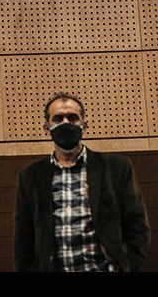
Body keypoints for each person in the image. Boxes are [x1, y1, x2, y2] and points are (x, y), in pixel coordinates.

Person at [13, 92, 150, 272]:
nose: (66, 123)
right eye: (58, 119)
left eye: (72, 118)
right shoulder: (30, 177)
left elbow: (137, 225)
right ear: (47, 128)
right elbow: (23, 239)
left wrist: (129, 266)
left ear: (84, 125)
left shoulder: (116, 168)